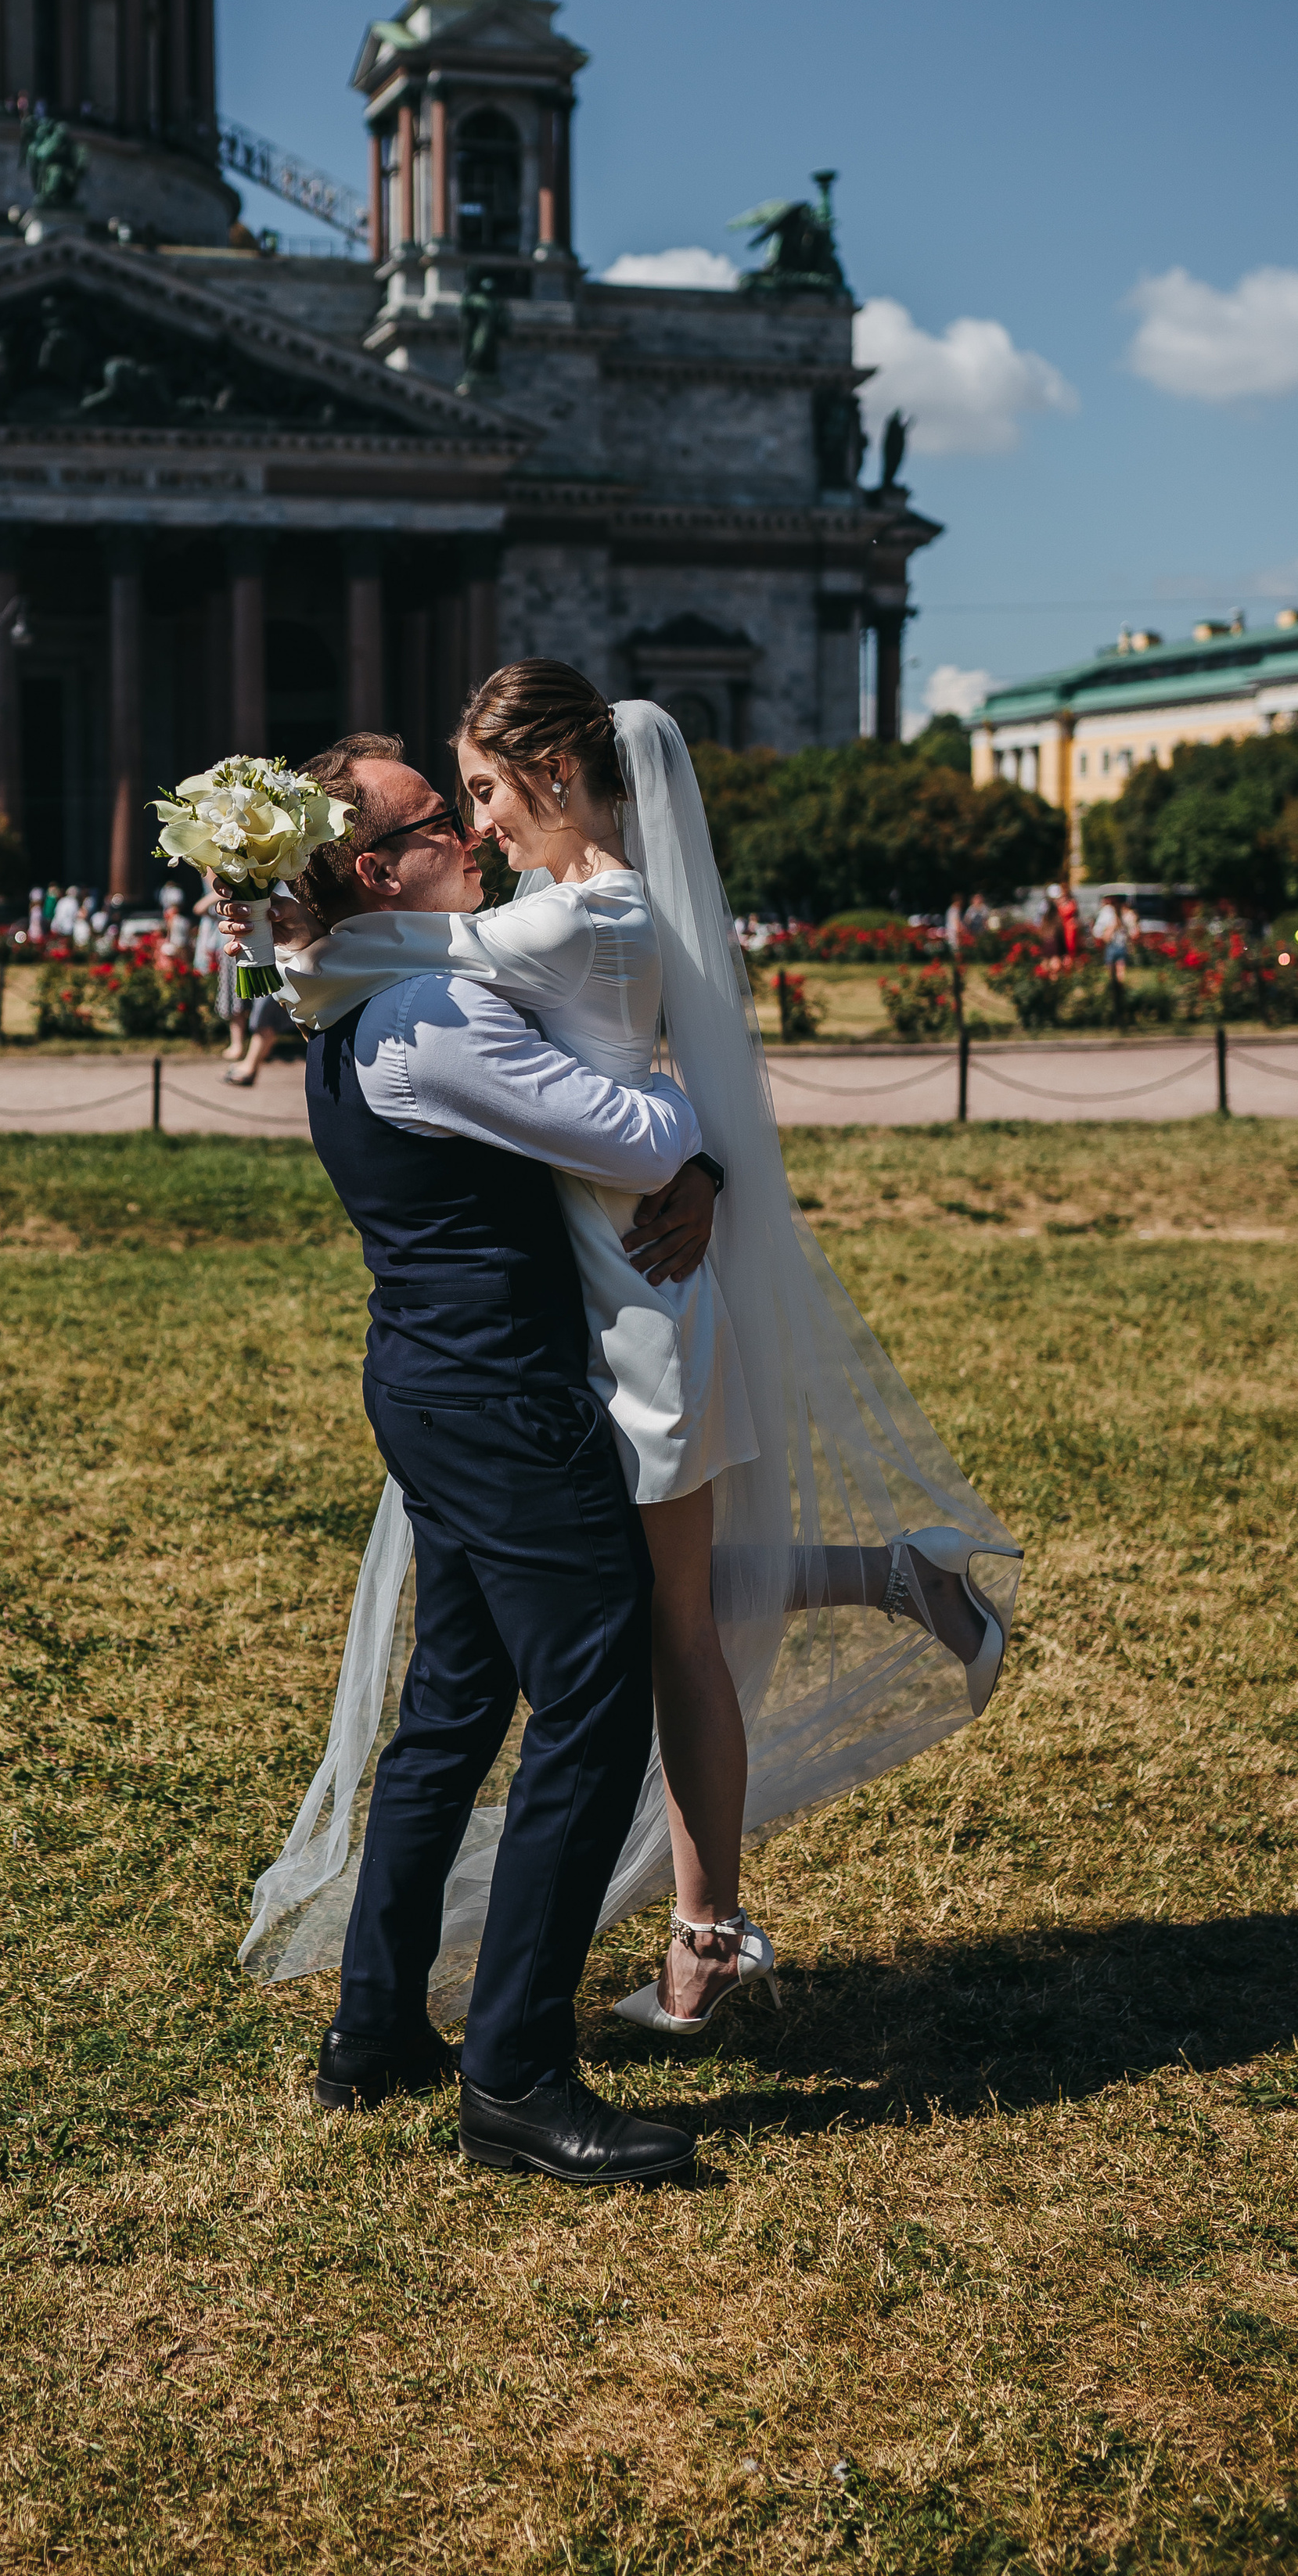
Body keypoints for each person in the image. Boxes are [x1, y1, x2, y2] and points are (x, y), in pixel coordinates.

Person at [239, 673, 1020, 2053]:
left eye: (479, 790)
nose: (473, 830)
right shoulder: (491, 951)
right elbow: (407, 978)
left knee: (657, 1630)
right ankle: (894, 1581)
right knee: (638, 1602)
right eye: (450, 810)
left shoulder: (567, 917)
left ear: (550, 772)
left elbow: (396, 974)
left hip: (627, 1300)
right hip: (585, 1304)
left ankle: (699, 1947)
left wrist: (291, 925)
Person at [233, 728, 710, 2184]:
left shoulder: (343, 989)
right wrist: (702, 1136)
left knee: (453, 1705)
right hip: (498, 1398)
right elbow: (631, 1136)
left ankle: (376, 2024)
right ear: (384, 867)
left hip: (430, 1385)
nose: (480, 837)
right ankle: (516, 2071)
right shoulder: (427, 1019)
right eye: (444, 820)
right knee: (593, 1692)